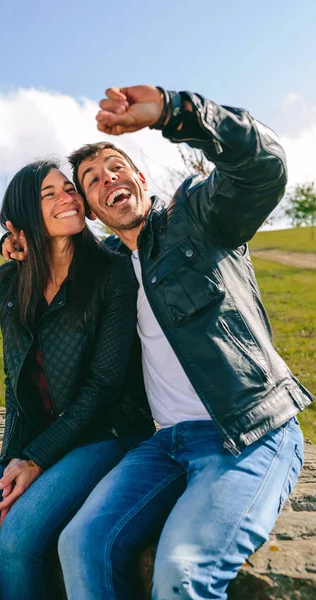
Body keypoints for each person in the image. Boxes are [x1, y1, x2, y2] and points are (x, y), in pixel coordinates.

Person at [52, 86, 312, 600]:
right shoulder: (108, 268)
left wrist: (177, 113)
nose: (108, 179)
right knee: (80, 543)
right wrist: (16, 242)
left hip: (246, 431)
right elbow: (48, 262)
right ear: (95, 211)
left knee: (182, 572)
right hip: (163, 446)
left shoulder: (196, 216)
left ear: (141, 179)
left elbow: (263, 166)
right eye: (93, 181)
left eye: (116, 167)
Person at [0, 159, 154, 600]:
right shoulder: (10, 279)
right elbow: (13, 380)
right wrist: (12, 457)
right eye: (49, 194)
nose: (68, 198)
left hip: (104, 432)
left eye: (69, 189)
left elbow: (103, 388)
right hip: (39, 434)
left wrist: (36, 458)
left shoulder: (112, 272)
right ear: (21, 220)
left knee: (19, 539)